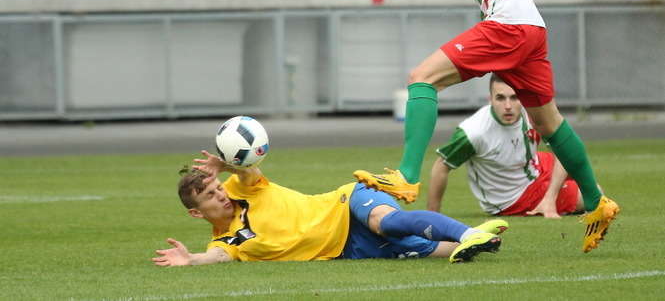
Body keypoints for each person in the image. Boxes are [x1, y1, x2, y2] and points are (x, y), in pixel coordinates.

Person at [352, 0, 619, 253]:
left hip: (507, 24)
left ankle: (406, 176)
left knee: (422, 78)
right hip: (530, 28)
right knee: (549, 123)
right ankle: (597, 201)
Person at [151, 150, 508, 267]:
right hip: (348, 248)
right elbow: (218, 256)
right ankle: (483, 239)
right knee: (431, 251)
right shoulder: (226, 241)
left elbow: (248, 171)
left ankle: (468, 233)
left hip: (345, 205)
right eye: (210, 196)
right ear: (196, 213)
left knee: (388, 223)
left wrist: (227, 165)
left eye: (216, 187)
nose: (220, 195)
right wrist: (191, 259)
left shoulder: (240, 188)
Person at [428, 74, 586, 218]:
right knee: (589, 196)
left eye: (514, 97)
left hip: (532, 165)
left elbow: (564, 148)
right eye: (500, 98)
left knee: (579, 167)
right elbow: (441, 166)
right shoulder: (474, 132)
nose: (508, 106)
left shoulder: (532, 112)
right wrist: (432, 219)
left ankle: (550, 201)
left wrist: (550, 198)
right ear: (490, 99)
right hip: (514, 197)